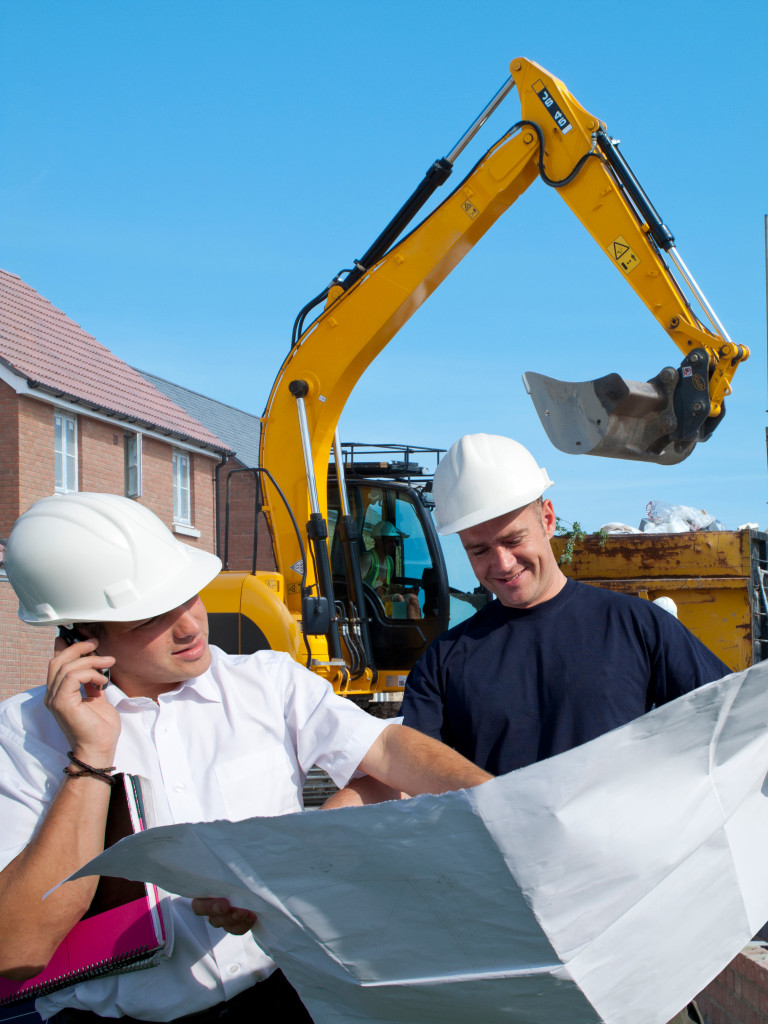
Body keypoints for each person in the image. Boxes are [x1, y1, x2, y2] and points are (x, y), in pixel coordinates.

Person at [0, 493, 490, 1023]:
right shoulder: (23, 734)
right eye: (151, 619)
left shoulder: (266, 682)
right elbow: (18, 950)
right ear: (82, 638)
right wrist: (91, 759)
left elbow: (388, 752)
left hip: (280, 997)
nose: (189, 626)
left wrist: (503, 802)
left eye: (188, 597)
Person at [401, 433, 731, 776]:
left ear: (547, 519)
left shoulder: (638, 628)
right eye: (479, 550)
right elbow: (398, 774)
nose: (502, 564)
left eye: (514, 540)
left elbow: (733, 723)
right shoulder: (445, 661)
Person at [360, 520, 420, 619]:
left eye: (394, 541)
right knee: (397, 598)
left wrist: (406, 590)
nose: (393, 545)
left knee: (413, 598)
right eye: (389, 541)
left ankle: (415, 631)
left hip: (385, 604)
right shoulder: (367, 559)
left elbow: (388, 586)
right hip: (372, 605)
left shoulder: (389, 561)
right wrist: (373, 592)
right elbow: (356, 587)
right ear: (378, 541)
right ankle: (399, 632)